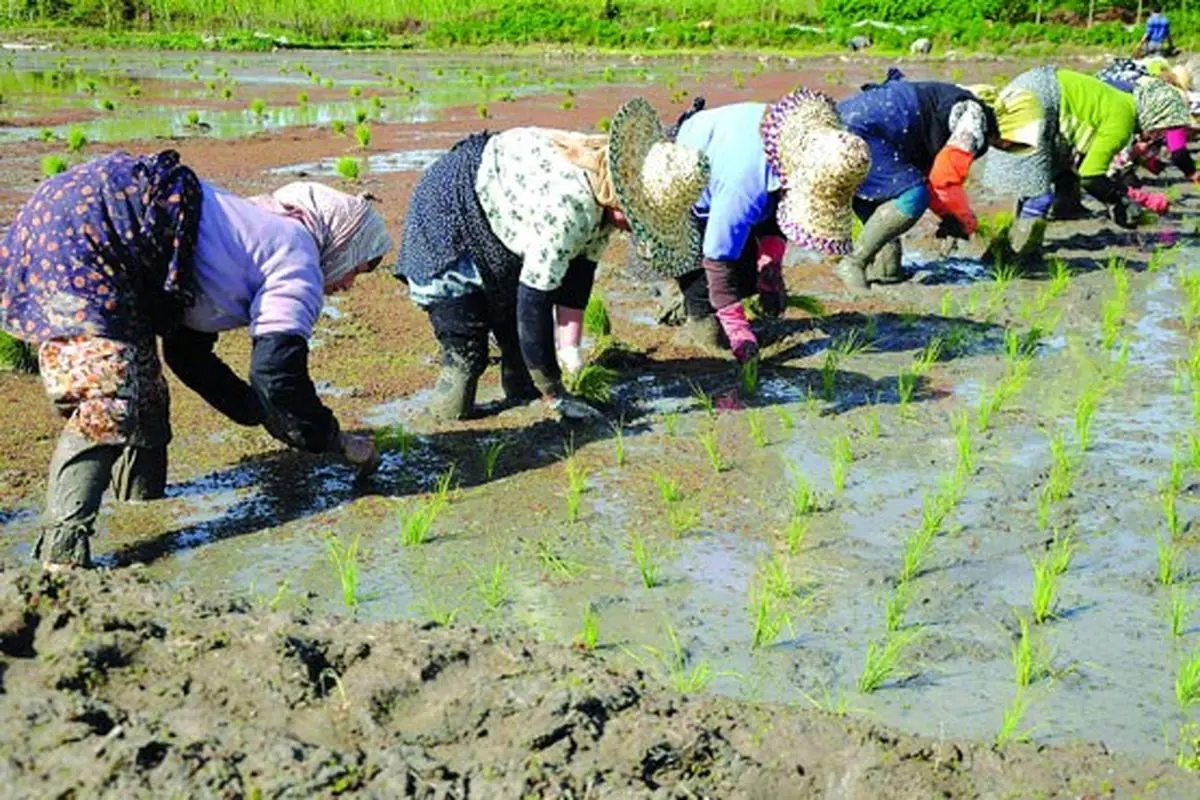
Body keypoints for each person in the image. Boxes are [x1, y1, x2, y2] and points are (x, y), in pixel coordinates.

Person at [0, 151, 393, 569]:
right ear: (343, 241)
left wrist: (255, 411)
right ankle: (62, 552)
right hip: (89, 229)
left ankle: (141, 509)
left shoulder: (245, 236)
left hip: (89, 221)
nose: (350, 284)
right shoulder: (297, 255)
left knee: (146, 394)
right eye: (358, 268)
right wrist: (336, 440)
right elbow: (278, 376)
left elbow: (187, 354)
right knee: (107, 398)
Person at [394, 97, 708, 420]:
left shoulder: (605, 195)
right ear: (624, 200)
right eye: (642, 218)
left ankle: (524, 397)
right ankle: (446, 433)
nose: (638, 228)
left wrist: (569, 349)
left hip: (499, 224)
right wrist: (556, 394)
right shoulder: (570, 207)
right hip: (446, 216)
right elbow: (534, 301)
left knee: (518, 341)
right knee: (466, 353)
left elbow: (578, 277)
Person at [656, 89, 870, 362]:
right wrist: (738, 332)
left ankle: (717, 304)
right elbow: (717, 260)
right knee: (708, 294)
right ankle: (690, 314)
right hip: (679, 181)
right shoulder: (744, 187)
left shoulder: (808, 148)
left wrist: (770, 269)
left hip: (735, 161)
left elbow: (778, 207)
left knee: (749, 275)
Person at [981, 67, 1190, 265]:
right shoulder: (1122, 121)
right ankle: (1021, 257)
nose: (1160, 135)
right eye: (1162, 127)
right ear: (1155, 114)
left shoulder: (1123, 101)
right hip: (1035, 102)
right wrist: (1118, 200)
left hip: (1033, 89)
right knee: (1038, 194)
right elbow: (1090, 175)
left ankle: (1008, 247)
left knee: (1048, 175)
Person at [833, 69, 1009, 290]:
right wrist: (962, 220)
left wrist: (948, 216)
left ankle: (887, 272)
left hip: (843, 120)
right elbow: (943, 179)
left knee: (888, 197)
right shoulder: (974, 116)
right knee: (913, 195)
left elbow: (930, 179)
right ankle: (853, 262)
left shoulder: (942, 104)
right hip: (861, 130)